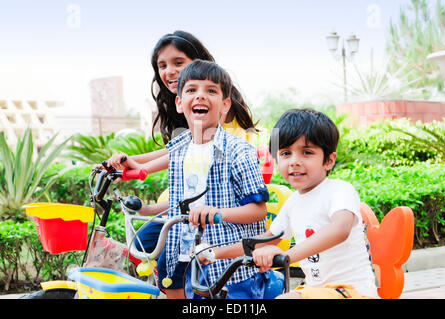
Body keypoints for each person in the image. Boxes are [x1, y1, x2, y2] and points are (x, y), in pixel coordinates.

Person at [103, 30, 259, 254]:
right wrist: (120, 162)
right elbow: (174, 150)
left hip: (217, 204)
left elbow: (193, 152)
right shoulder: (184, 107)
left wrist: (140, 166)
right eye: (162, 66)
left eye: (179, 62)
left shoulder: (219, 110)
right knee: (144, 246)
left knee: (164, 254)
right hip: (182, 199)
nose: (170, 71)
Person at [136, 60, 269, 299]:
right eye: (191, 90)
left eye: (211, 91)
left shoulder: (238, 151)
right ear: (179, 103)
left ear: (225, 105)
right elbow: (182, 201)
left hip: (232, 270)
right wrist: (147, 209)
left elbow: (258, 210)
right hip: (191, 262)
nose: (200, 96)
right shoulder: (179, 148)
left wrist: (217, 212)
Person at [212, 108, 379, 299]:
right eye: (285, 153)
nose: (294, 162)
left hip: (352, 291)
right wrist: (214, 253)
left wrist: (288, 256)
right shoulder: (293, 202)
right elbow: (264, 240)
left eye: (306, 152)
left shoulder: (339, 190)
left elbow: (340, 229)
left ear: (329, 160)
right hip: (315, 290)